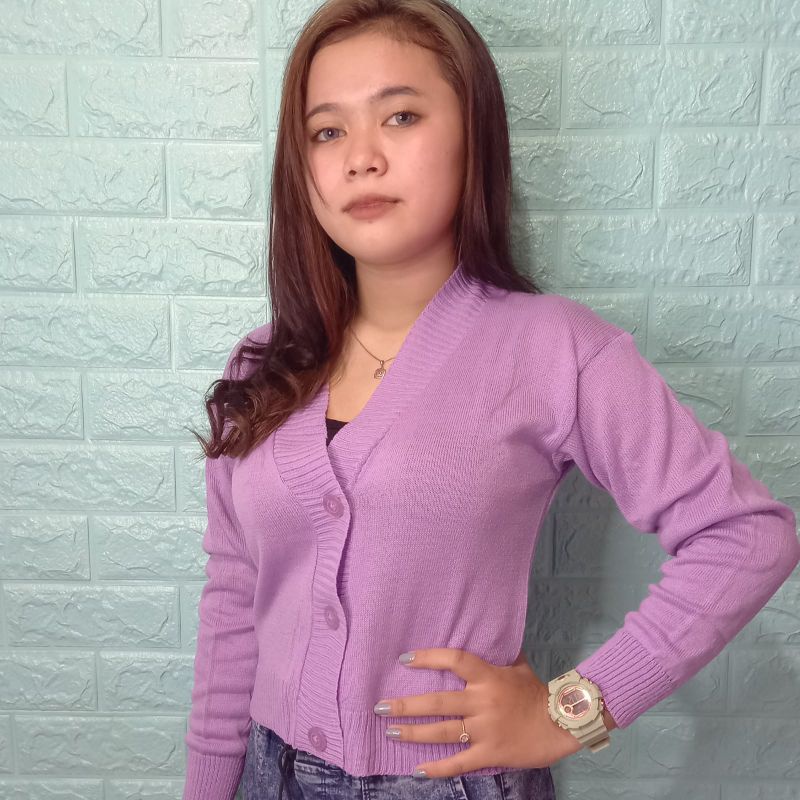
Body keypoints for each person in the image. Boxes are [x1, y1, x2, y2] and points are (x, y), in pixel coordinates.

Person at [182, 1, 800, 798]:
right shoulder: (264, 363)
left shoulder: (552, 349)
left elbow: (745, 534)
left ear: (473, 135)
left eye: (400, 116)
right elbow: (234, 599)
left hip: (446, 783)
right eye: (326, 131)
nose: (360, 158)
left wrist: (573, 712)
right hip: (265, 775)